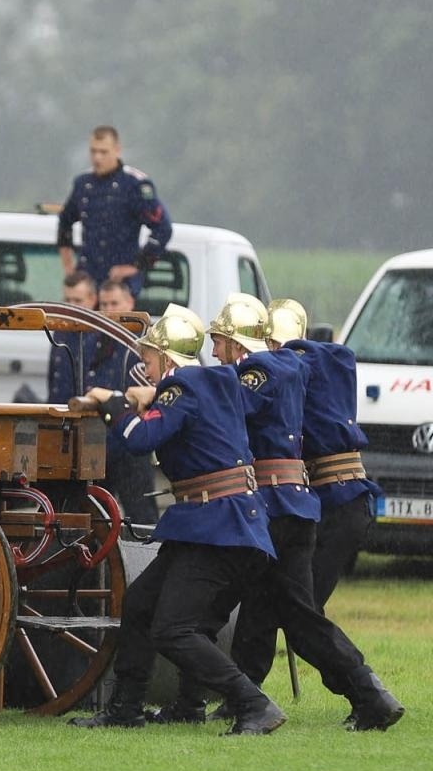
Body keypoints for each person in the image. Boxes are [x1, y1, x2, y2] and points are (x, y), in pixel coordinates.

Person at [71, 305, 286, 734]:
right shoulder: (210, 381)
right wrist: (145, 398)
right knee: (141, 605)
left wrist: (109, 402)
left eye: (149, 359)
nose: (143, 366)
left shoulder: (182, 387)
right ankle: (126, 708)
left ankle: (254, 704)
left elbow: (142, 439)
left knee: (173, 629)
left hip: (218, 527)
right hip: (213, 523)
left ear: (168, 360)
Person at [237, 298, 400, 727]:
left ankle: (369, 694)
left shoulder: (294, 367)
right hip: (331, 503)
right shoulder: (326, 365)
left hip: (333, 504)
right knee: (264, 596)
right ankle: (244, 693)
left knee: (300, 614)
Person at [56, 125, 173, 295]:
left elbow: (163, 228)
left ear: (117, 150)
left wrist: (137, 266)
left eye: (103, 152)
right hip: (89, 278)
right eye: (93, 151)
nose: (97, 158)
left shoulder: (134, 184)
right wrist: (68, 266)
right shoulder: (83, 184)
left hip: (121, 281)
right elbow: (65, 221)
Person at [87, 278, 159, 523]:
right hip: (97, 444)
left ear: (131, 303)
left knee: (142, 517)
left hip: (130, 445)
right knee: (94, 518)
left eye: (115, 303)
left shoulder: (142, 346)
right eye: (104, 304)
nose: (109, 310)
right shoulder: (92, 342)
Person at [47, 271, 96, 405]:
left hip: (87, 414)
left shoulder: (103, 335)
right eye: (67, 300)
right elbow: (53, 377)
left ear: (92, 299)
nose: (71, 306)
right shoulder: (60, 330)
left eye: (77, 300)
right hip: (58, 409)